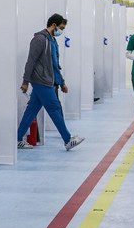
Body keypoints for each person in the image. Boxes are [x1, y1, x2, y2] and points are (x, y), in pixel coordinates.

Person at [17, 13, 84, 151]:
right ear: (53, 25)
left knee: (31, 111)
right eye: (61, 28)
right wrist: (25, 81)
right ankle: (67, 140)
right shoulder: (39, 40)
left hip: (48, 81)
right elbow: (31, 61)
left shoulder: (52, 41)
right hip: (41, 81)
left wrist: (61, 82)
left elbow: (55, 65)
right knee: (55, 109)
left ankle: (17, 139)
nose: (61, 31)